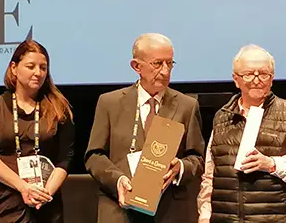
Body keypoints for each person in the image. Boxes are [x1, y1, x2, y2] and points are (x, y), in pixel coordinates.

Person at [84, 33, 206, 223]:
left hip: (170, 211)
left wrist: (180, 168)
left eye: (170, 63)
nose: (165, 71)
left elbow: (198, 158)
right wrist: (117, 180)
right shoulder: (110, 103)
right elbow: (94, 156)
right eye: (157, 64)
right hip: (119, 209)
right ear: (136, 66)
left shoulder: (186, 106)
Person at [197, 44, 286, 223]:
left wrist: (271, 163)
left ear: (272, 79)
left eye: (263, 74)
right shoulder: (222, 117)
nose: (256, 80)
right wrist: (205, 214)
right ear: (236, 79)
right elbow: (210, 174)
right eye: (248, 74)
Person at [0, 40, 75, 223]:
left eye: (43, 68)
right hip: (3, 202)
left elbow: (65, 159)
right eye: (31, 66)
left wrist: (45, 193)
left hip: (45, 202)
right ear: (14, 67)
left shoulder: (58, 108)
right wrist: (23, 187)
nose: (38, 72)